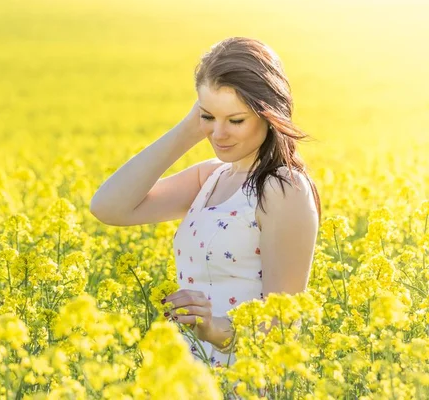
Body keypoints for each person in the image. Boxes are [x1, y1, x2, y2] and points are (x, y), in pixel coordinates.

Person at [89, 36, 321, 369]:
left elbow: (281, 326)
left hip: (243, 378)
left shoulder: (282, 188)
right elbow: (108, 207)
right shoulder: (210, 178)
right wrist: (188, 129)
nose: (219, 134)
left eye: (235, 120)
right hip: (188, 375)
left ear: (269, 113)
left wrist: (212, 329)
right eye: (209, 117)